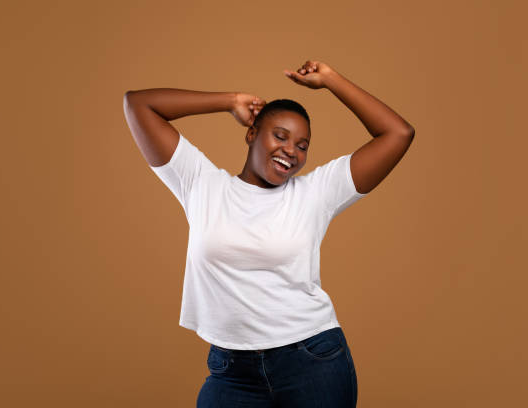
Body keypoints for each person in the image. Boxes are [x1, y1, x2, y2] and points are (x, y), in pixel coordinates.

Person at [123, 59, 414, 407]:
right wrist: (229, 101)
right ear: (251, 133)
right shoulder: (202, 184)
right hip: (232, 370)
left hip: (311, 362)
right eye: (280, 136)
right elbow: (139, 104)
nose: (291, 150)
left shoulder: (315, 193)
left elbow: (398, 133)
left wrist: (331, 80)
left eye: (302, 145)